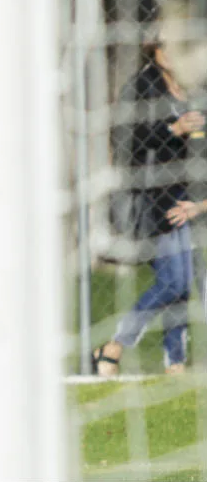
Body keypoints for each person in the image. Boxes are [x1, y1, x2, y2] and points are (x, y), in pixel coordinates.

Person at [93, 42, 205, 376]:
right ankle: (117, 345)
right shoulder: (141, 88)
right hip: (155, 199)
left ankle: (174, 362)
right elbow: (127, 143)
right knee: (176, 282)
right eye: (163, 44)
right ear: (152, 50)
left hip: (195, 198)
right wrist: (173, 129)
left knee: (184, 280)